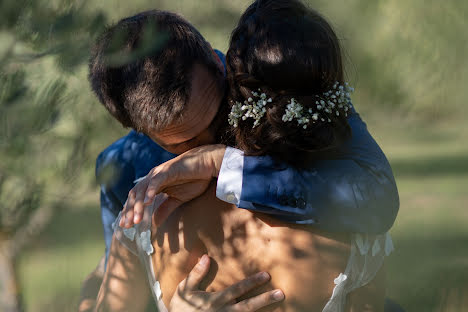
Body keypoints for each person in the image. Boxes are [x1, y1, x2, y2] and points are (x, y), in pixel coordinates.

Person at [91, 1, 398, 311]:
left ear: (217, 62)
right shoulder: (122, 168)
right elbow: (119, 286)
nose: (204, 146)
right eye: (185, 143)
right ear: (140, 130)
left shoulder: (273, 86)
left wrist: (223, 165)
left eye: (215, 118)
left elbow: (378, 196)